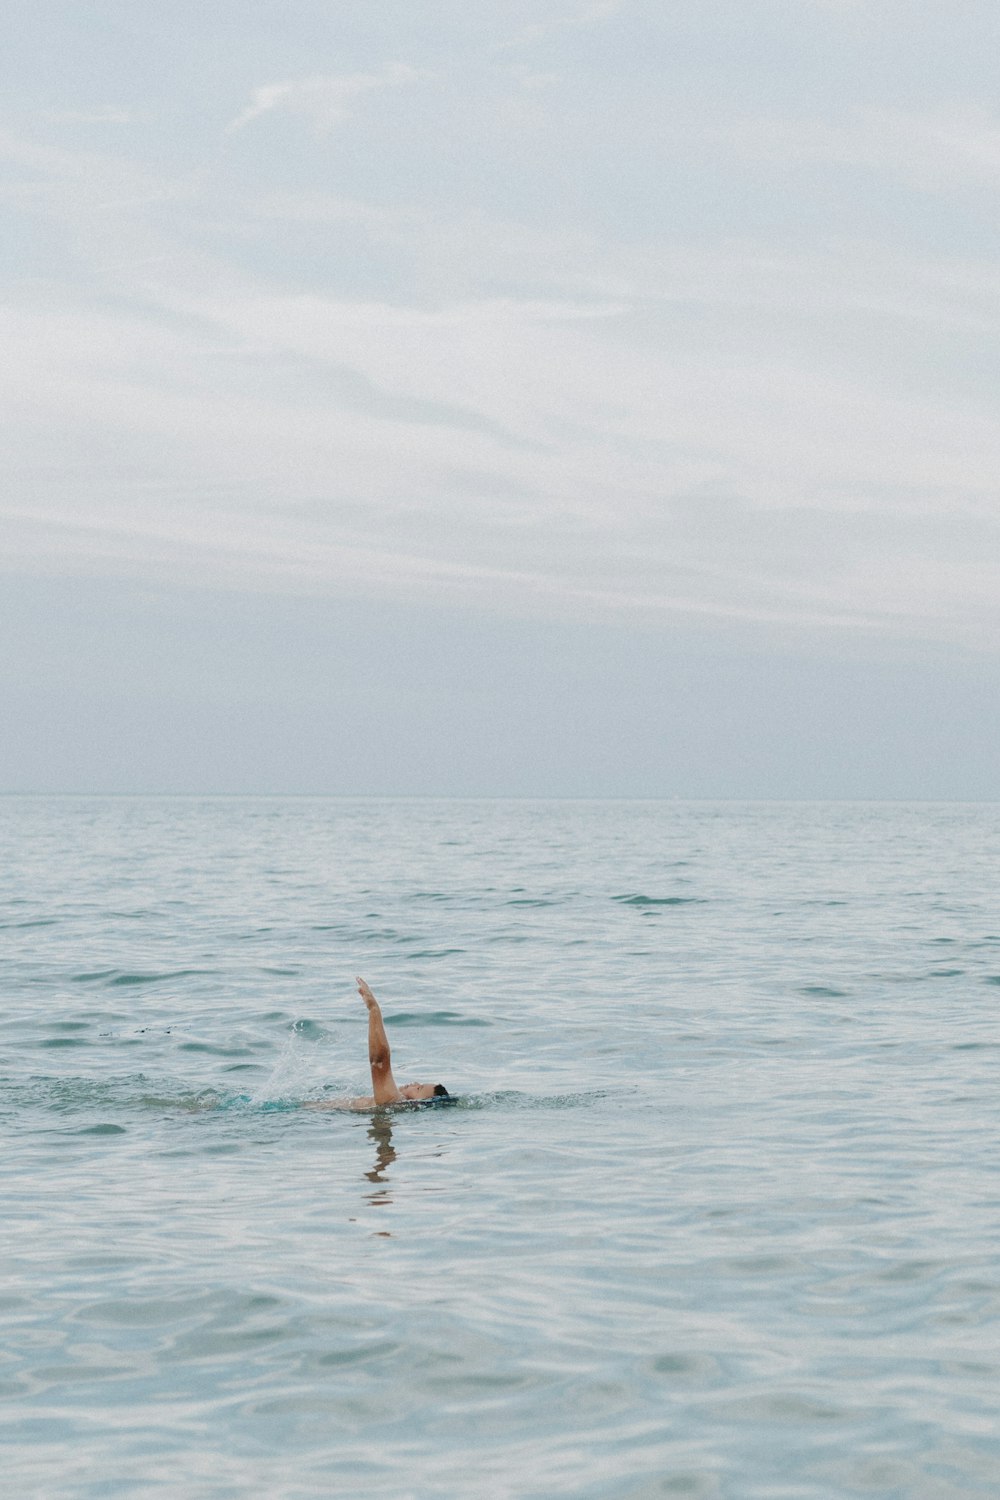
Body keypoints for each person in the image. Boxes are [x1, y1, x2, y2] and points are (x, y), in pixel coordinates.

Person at [305, 977, 451, 1111]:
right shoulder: (391, 1102)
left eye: (419, 1088)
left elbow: (379, 1061)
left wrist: (373, 1009)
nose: (414, 1082)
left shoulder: (392, 1101)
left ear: (417, 1103)